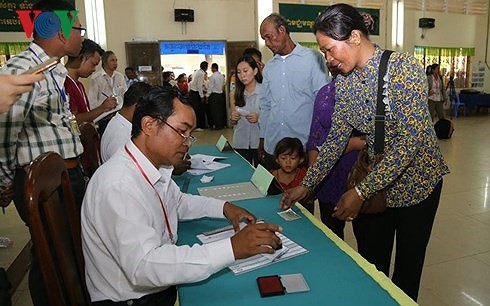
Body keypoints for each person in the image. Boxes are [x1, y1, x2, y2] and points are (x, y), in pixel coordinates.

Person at [280, 4, 449, 301]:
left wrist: (360, 191)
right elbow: (336, 138)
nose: (328, 60)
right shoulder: (344, 81)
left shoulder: (402, 69)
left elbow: (410, 141)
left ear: (355, 37)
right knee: (373, 264)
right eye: (323, 52)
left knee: (407, 270)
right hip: (375, 183)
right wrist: (307, 183)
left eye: (330, 50)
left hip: (417, 185)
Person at [81, 86, 282, 305]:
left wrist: (224, 208)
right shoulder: (118, 185)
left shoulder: (152, 165)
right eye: (181, 131)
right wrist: (232, 248)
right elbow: (144, 267)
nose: (187, 143)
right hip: (133, 299)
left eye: (190, 135)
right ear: (149, 125)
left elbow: (177, 202)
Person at [0, 1, 85, 304]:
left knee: (66, 255)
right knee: (51, 257)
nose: (82, 36)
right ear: (59, 31)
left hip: (65, 176)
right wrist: (6, 181)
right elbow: (5, 132)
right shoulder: (24, 68)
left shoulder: (51, 69)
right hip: (43, 183)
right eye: (79, 29)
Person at [258, 13, 329, 169]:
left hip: (301, 148)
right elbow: (265, 105)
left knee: (301, 192)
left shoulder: (312, 58)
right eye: (264, 39)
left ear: (282, 30)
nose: (267, 43)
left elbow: (323, 100)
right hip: (273, 146)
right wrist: (263, 138)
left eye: (269, 37)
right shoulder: (270, 67)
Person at [306, 63, 364, 239]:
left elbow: (376, 138)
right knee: (332, 236)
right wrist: (312, 180)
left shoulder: (367, 93)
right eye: (326, 55)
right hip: (329, 175)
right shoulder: (325, 93)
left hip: (359, 175)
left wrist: (352, 145)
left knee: (366, 240)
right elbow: (315, 137)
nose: (330, 60)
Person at [65, 38, 117, 124]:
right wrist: (102, 108)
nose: (94, 70)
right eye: (93, 64)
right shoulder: (65, 84)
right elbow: (73, 120)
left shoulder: (79, 85)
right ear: (81, 58)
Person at [229, 56, 262, 166]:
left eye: (245, 71)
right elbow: (231, 123)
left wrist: (259, 118)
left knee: (261, 175)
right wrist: (233, 118)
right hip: (240, 142)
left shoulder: (265, 91)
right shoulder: (234, 93)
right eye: (239, 72)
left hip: (260, 142)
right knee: (242, 173)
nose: (242, 75)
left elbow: (273, 116)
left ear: (255, 71)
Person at [88, 50, 128, 134]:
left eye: (116, 60)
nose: (115, 63)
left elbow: (125, 95)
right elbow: (92, 101)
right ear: (105, 62)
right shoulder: (96, 78)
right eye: (112, 60)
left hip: (119, 114)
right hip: (104, 117)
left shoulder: (119, 76)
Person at [270, 137, 312, 212]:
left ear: (301, 160)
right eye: (283, 158)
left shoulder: (306, 177)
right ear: (277, 160)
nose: (288, 162)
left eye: (293, 158)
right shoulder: (271, 176)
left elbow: (309, 201)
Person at [188, 61, 208, 130]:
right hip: (195, 94)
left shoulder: (197, 71)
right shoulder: (201, 73)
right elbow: (199, 86)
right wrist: (202, 96)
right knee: (198, 110)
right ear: (206, 67)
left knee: (196, 110)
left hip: (192, 92)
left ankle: (197, 125)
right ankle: (199, 126)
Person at [206, 63, 226, 129]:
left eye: (212, 68)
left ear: (214, 68)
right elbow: (223, 85)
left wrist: (207, 95)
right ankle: (221, 125)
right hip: (221, 95)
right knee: (220, 110)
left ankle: (217, 125)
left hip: (214, 95)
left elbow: (210, 87)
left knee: (214, 111)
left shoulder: (212, 76)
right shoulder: (222, 76)